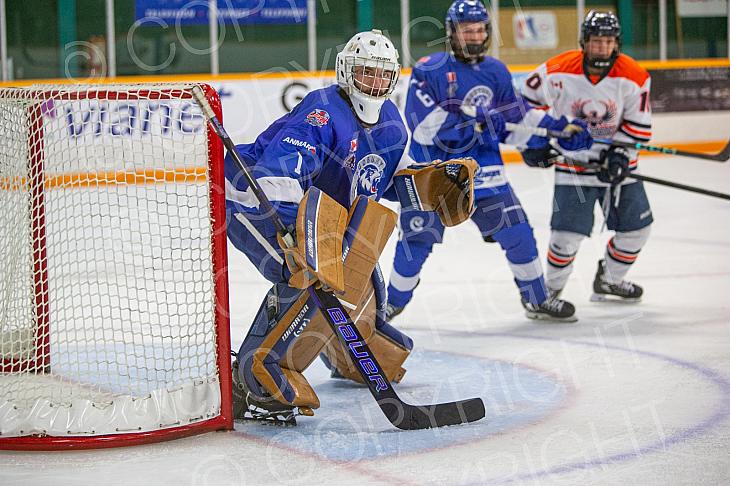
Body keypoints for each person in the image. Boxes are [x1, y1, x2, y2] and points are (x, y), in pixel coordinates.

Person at [224, 29, 478, 424]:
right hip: (252, 195)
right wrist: (297, 232)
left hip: (317, 211)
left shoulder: (392, 123)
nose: (374, 83)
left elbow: (389, 179)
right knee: (311, 270)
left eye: (382, 75)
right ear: (346, 71)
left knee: (355, 259)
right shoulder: (322, 110)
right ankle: (255, 375)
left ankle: (352, 353)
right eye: (365, 72)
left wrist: (428, 186)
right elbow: (280, 175)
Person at [385, 0, 593, 323]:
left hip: (485, 173)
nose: (474, 35)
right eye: (467, 30)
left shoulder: (496, 71)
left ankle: (537, 300)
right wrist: (476, 123)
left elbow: (516, 120)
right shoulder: (429, 69)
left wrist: (556, 133)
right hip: (434, 174)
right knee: (415, 244)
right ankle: (389, 304)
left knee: (518, 233)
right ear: (452, 32)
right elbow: (423, 128)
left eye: (479, 29)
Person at [519, 10, 652, 303]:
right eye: (596, 41)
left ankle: (610, 279)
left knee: (638, 230)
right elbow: (523, 104)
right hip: (573, 164)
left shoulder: (634, 75)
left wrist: (619, 155)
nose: (602, 47)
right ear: (584, 42)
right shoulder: (557, 70)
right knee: (566, 236)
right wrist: (534, 142)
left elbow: (636, 126)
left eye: (608, 41)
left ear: (616, 43)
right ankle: (547, 293)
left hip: (618, 166)